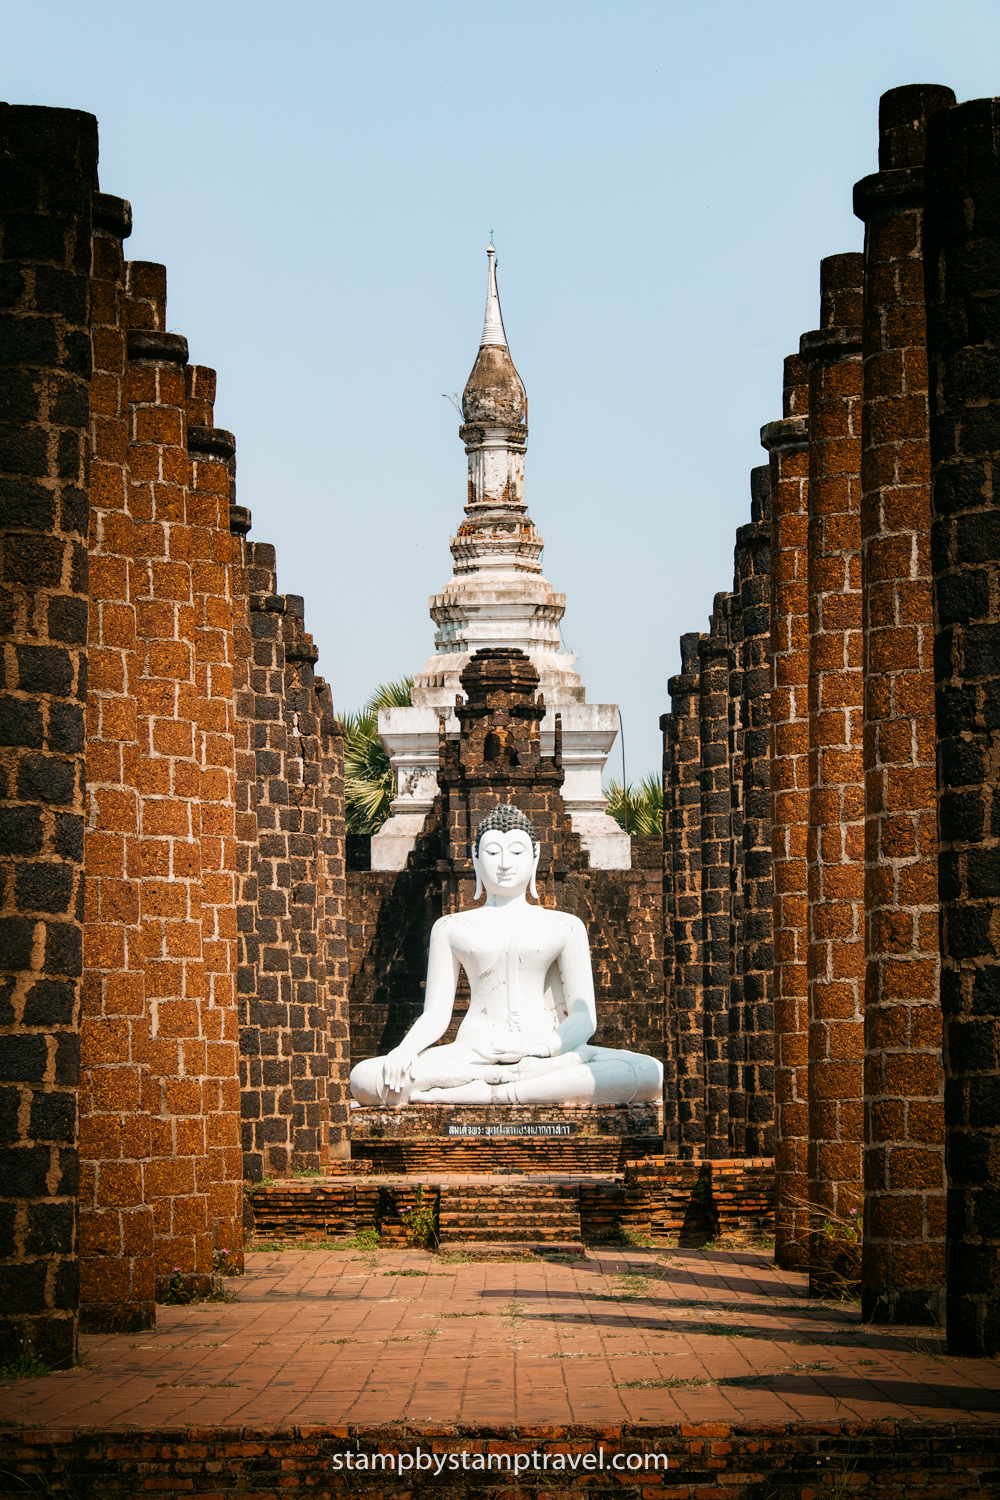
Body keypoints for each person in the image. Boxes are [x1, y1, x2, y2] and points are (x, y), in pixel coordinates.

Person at [349, 804, 664, 1107]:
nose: (504, 863)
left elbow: (584, 1018)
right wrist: (405, 1050)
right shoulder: (451, 927)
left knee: (651, 1073)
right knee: (365, 1079)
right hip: (471, 1056)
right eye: (492, 852)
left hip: (546, 1054)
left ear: (535, 856)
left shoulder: (565, 926)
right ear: (475, 857)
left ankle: (495, 1094)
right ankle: (517, 1086)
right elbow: (436, 1015)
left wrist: (541, 1050)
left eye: (516, 851)